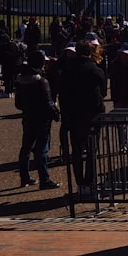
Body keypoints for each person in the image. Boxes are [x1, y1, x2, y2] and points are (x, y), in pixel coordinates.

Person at [57, 42, 106, 194]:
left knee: (77, 151)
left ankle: (80, 184)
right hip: (92, 115)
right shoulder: (95, 69)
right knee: (92, 151)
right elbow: (103, 92)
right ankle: (90, 182)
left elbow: (62, 92)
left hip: (73, 115)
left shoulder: (67, 70)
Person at [14, 50, 60, 190]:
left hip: (28, 116)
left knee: (26, 148)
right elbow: (48, 102)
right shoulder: (42, 81)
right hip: (42, 119)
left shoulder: (21, 79)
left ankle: (24, 177)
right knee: (42, 150)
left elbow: (18, 104)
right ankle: (44, 179)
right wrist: (56, 113)